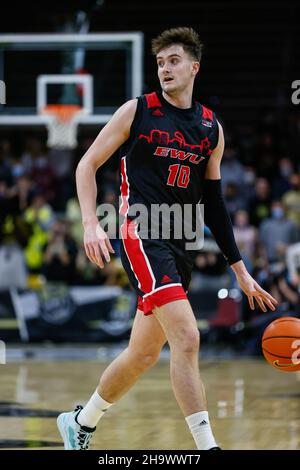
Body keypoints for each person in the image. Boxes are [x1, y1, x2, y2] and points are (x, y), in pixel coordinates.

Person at [57, 27, 278, 450]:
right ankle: (207, 447)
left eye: (173, 60)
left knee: (141, 354)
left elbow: (214, 204)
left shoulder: (211, 127)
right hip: (140, 232)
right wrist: (90, 222)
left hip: (181, 242)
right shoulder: (137, 110)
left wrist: (241, 271)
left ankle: (80, 423)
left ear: (194, 67)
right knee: (188, 337)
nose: (165, 69)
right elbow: (86, 165)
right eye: (159, 63)